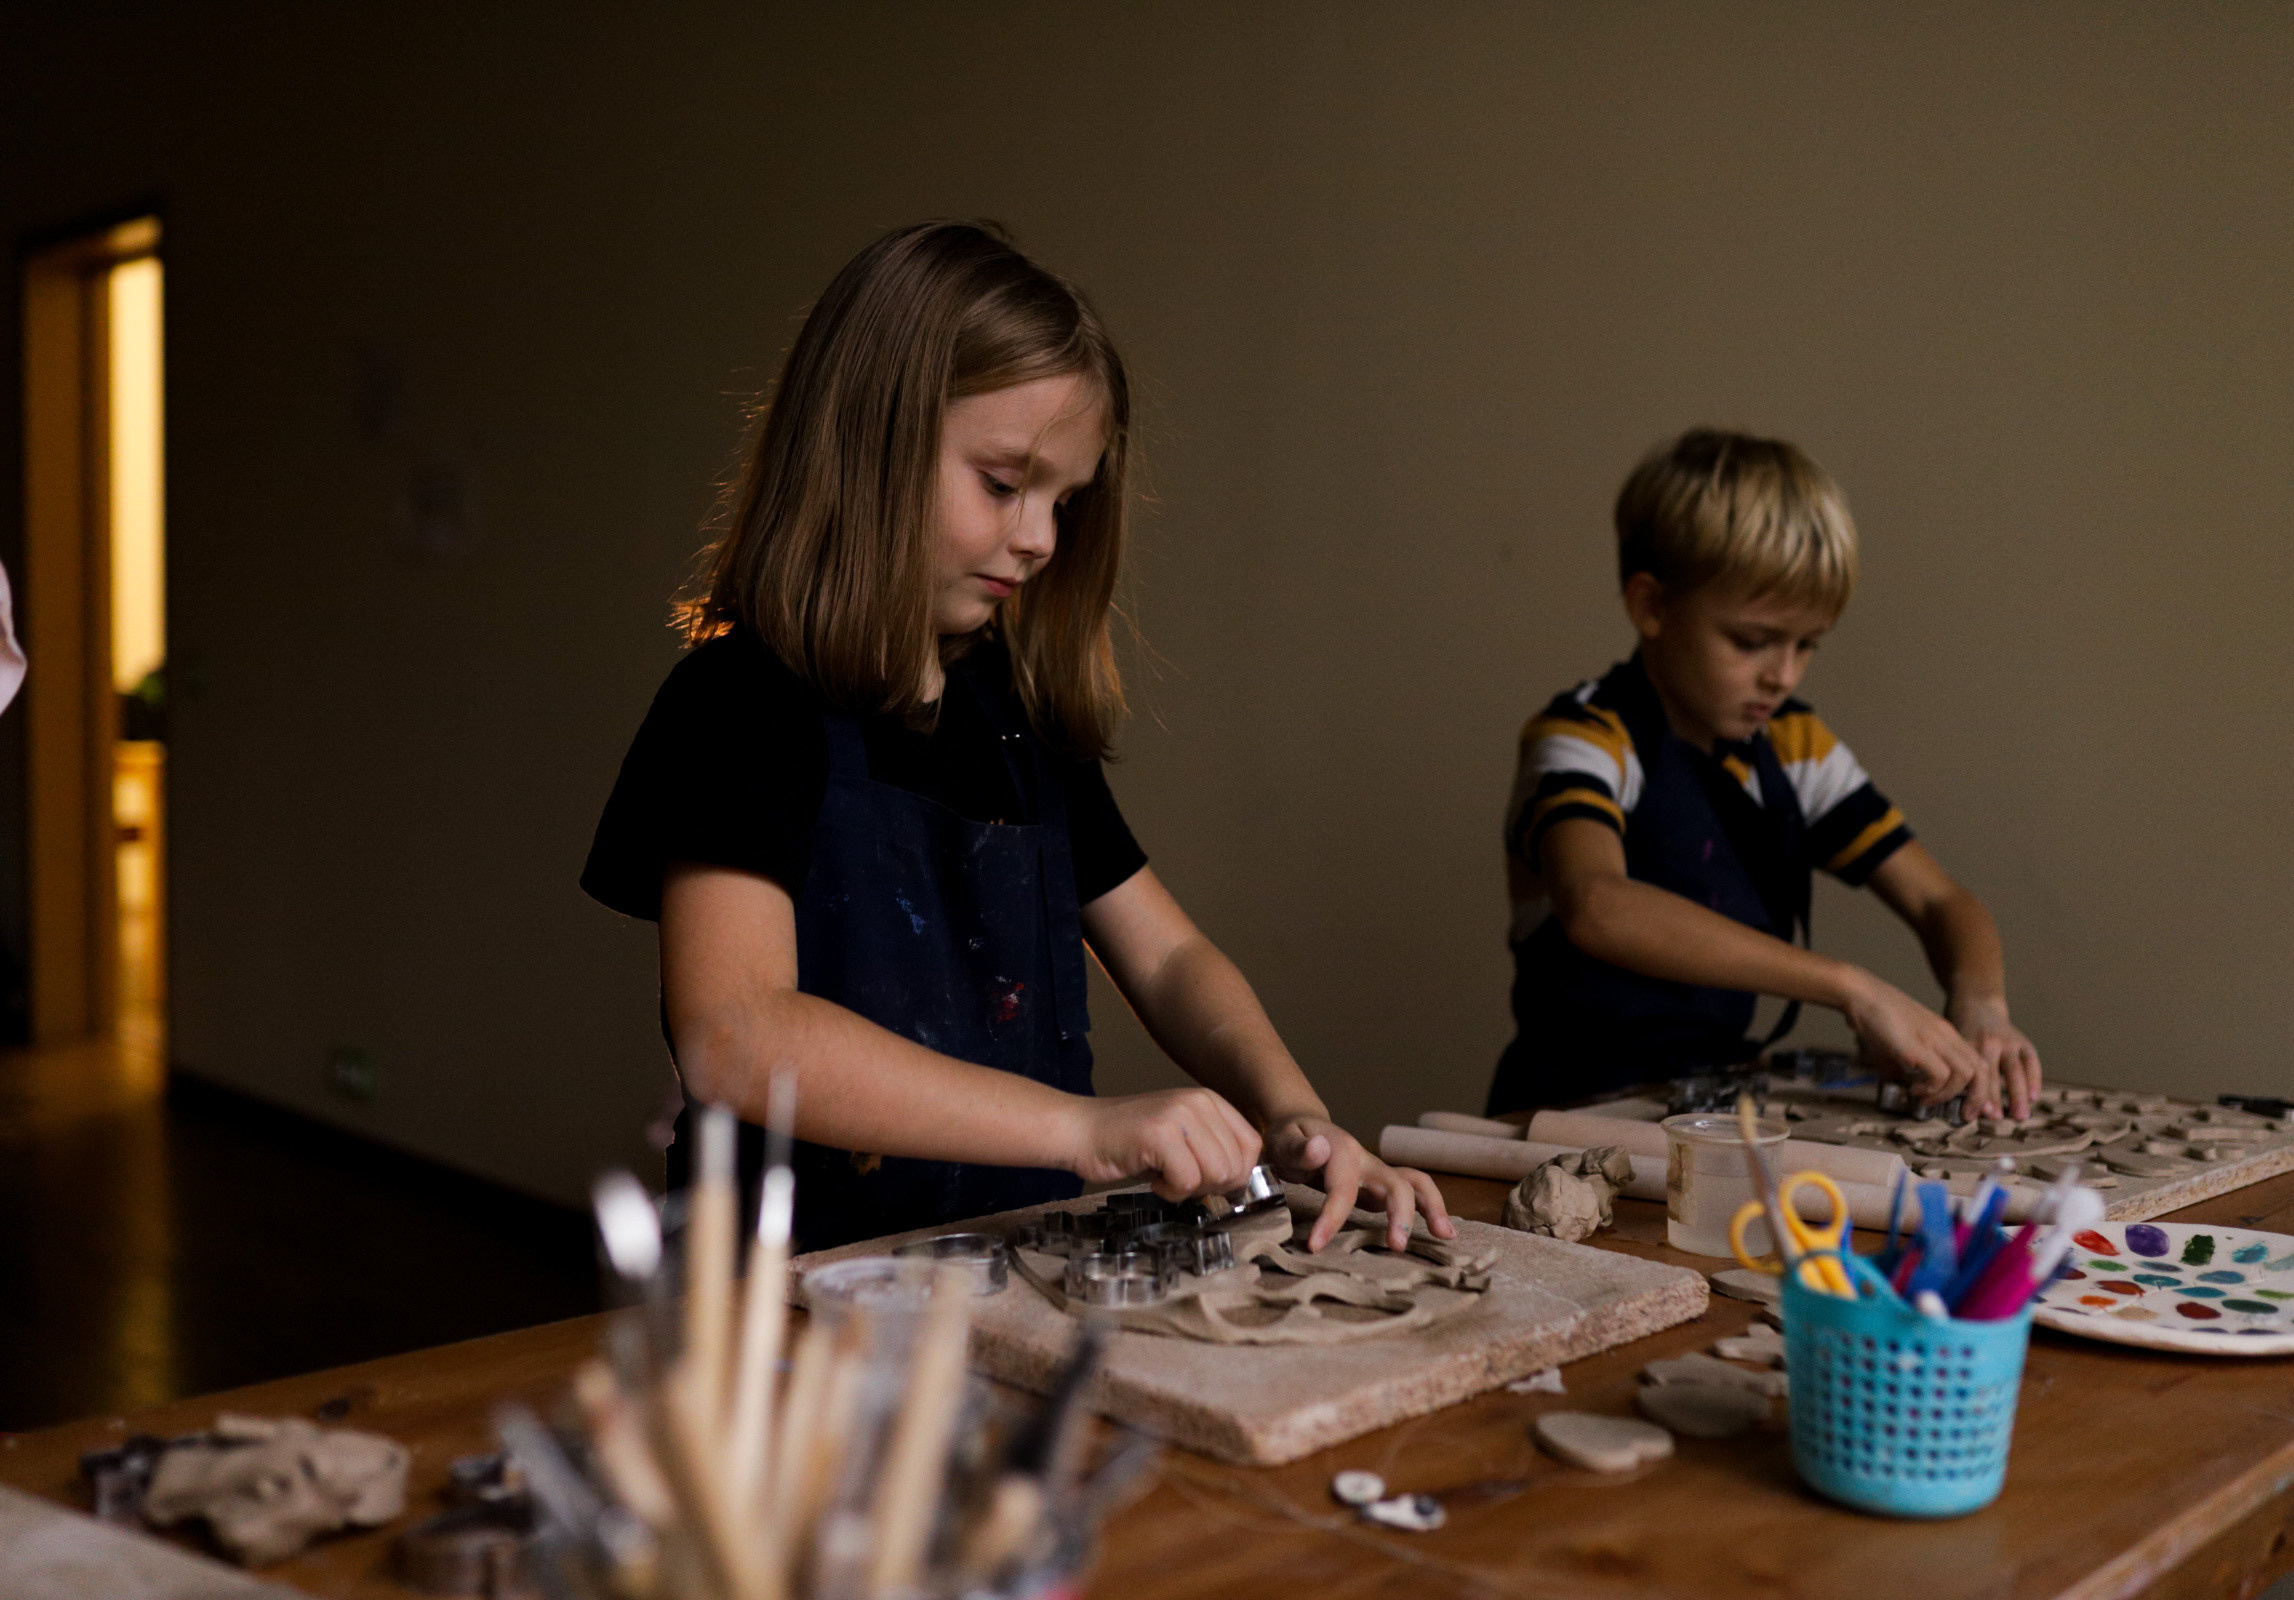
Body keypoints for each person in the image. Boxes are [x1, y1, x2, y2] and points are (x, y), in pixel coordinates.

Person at [584, 221, 1449, 1254]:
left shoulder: (1015, 712)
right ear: (869, 445)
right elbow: (737, 1035)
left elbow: (1170, 958)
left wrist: (1295, 1113)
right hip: (792, 1293)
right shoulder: (740, 705)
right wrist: (1084, 1129)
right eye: (1002, 484)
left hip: (1013, 1271)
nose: (1039, 538)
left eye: (1063, 502)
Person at [1490, 428, 2042, 1122]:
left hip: (1708, 1109)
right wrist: (1853, 988)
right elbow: (1597, 905)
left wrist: (1982, 1003)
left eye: (1807, 645)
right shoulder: (1585, 736)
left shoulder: (1792, 746)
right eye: (1751, 642)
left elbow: (1941, 903)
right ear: (1651, 606)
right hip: (1565, 1112)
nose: (1783, 675)